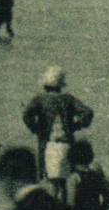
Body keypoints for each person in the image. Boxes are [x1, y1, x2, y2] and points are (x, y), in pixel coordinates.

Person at [22, 67, 94, 196]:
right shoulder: (68, 99)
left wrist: (36, 129)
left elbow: (26, 115)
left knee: (50, 181)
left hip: (47, 144)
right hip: (67, 144)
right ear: (60, 85)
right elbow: (88, 112)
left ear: (45, 85)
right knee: (68, 181)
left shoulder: (40, 99)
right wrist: (76, 126)